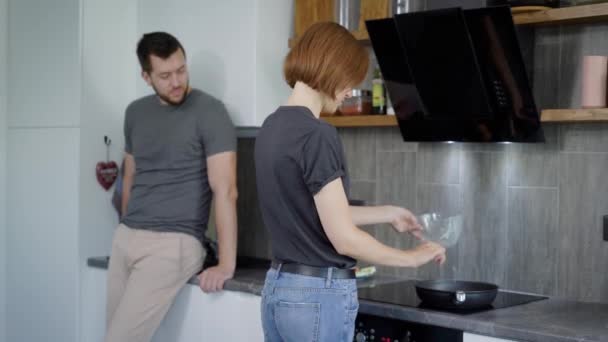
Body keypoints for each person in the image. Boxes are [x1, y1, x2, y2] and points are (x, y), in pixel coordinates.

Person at [254, 22, 447, 342]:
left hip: (279, 289)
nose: (348, 93)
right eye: (348, 83)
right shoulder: (317, 134)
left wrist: (388, 213)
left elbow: (317, 212)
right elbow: (343, 237)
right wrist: (410, 258)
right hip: (318, 295)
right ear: (332, 70)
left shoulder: (271, 128)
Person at [105, 32, 238, 342]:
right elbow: (130, 178)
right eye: (165, 76)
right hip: (126, 239)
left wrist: (226, 263)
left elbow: (226, 190)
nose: (177, 81)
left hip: (173, 244)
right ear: (146, 76)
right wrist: (125, 226)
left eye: (181, 70)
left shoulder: (210, 111)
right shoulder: (135, 112)